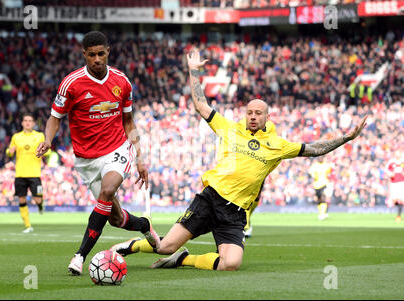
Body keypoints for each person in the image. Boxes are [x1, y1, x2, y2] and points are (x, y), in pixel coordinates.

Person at [110, 49, 368, 271]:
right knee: (164, 246)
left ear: (268, 116)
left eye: (258, 113)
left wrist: (346, 137)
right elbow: (200, 105)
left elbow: (314, 148)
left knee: (230, 263)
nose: (253, 116)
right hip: (210, 200)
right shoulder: (229, 128)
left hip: (235, 213)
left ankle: (183, 260)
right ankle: (132, 245)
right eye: (249, 112)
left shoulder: (278, 145)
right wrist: (194, 71)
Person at [36, 31, 160, 276]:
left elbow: (129, 121)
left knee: (106, 190)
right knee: (115, 218)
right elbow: (54, 117)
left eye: (101, 54)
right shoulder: (71, 83)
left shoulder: (122, 82)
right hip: (86, 159)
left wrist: (139, 157)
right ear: (84, 55)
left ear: (108, 52)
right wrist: (48, 139)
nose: (97, 59)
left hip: (116, 148)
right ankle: (144, 225)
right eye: (91, 55)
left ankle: (80, 255)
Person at [6, 113, 50, 233]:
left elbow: (47, 151)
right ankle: (28, 225)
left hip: (35, 174)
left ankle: (40, 205)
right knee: (21, 199)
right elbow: (9, 152)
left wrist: (44, 152)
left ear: (34, 123)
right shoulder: (16, 137)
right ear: (22, 123)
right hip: (20, 174)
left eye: (30, 120)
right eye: (25, 120)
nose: (27, 122)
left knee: (37, 199)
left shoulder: (39, 136)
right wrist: (10, 151)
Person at [308, 156, 333, 220]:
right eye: (319, 158)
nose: (320, 159)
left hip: (324, 184)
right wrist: (312, 175)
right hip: (316, 185)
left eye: (321, 158)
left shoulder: (326, 165)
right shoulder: (314, 166)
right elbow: (310, 173)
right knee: (319, 200)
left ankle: (322, 214)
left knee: (323, 198)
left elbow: (330, 172)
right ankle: (321, 213)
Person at [386, 151, 404, 223]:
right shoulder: (391, 162)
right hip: (394, 183)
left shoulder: (402, 162)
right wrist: (390, 174)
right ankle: (398, 214)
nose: (397, 155)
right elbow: (387, 170)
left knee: (401, 200)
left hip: (402, 183)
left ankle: (398, 216)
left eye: (398, 154)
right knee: (395, 200)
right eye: (396, 154)